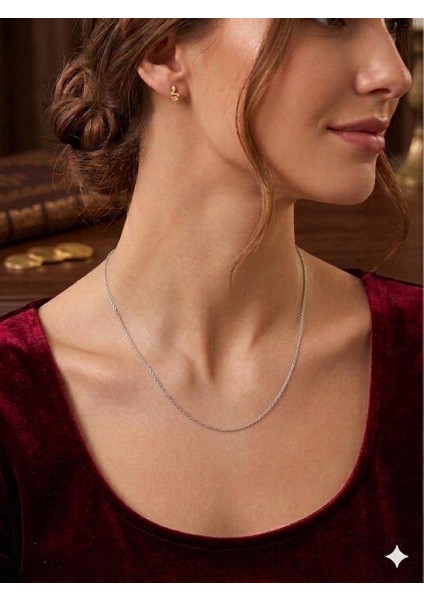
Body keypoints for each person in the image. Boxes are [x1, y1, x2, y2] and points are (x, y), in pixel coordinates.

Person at [0, 18, 422, 583]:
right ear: (162, 51)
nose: (394, 73)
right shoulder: (12, 400)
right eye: (329, 18)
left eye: (390, 24)